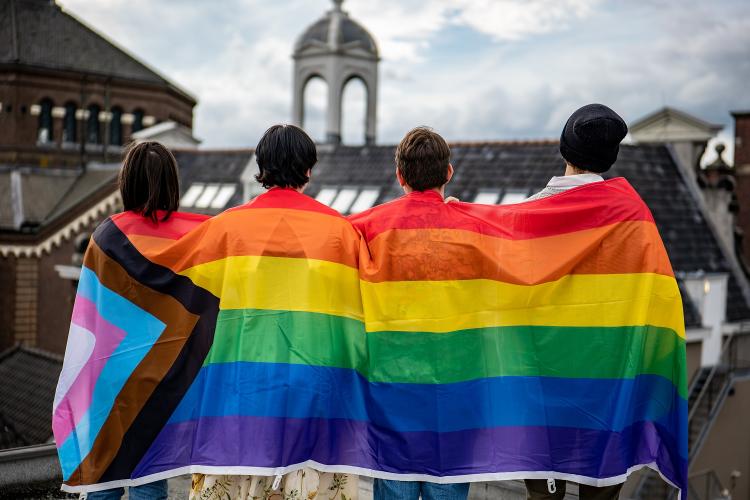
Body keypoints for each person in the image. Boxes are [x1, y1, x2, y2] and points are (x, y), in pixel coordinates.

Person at [188, 124, 359, 500]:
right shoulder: (340, 231)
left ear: (261, 166)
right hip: (314, 393)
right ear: (309, 169)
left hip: (238, 390)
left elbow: (192, 302)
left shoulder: (224, 229)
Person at [348, 127, 469, 500]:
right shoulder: (474, 228)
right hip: (455, 397)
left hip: (392, 395)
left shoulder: (365, 228)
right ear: (448, 173)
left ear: (399, 176)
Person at [523, 103, 629, 500]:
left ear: (565, 150)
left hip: (542, 377)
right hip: (605, 378)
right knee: (602, 492)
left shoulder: (529, 211)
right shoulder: (629, 217)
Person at [84, 140, 179, 499]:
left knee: (101, 481)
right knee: (149, 484)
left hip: (109, 376)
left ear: (127, 182)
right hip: (161, 380)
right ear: (172, 184)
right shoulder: (186, 240)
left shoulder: (106, 236)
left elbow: (89, 313)